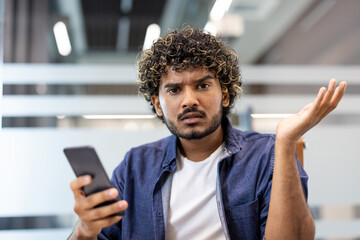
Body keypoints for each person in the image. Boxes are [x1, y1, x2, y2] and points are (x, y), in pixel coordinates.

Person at [68, 26, 347, 240]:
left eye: (202, 85)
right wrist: (84, 230)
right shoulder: (135, 166)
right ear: (158, 105)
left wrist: (285, 143)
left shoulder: (266, 156)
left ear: (225, 95)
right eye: (174, 90)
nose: (189, 100)